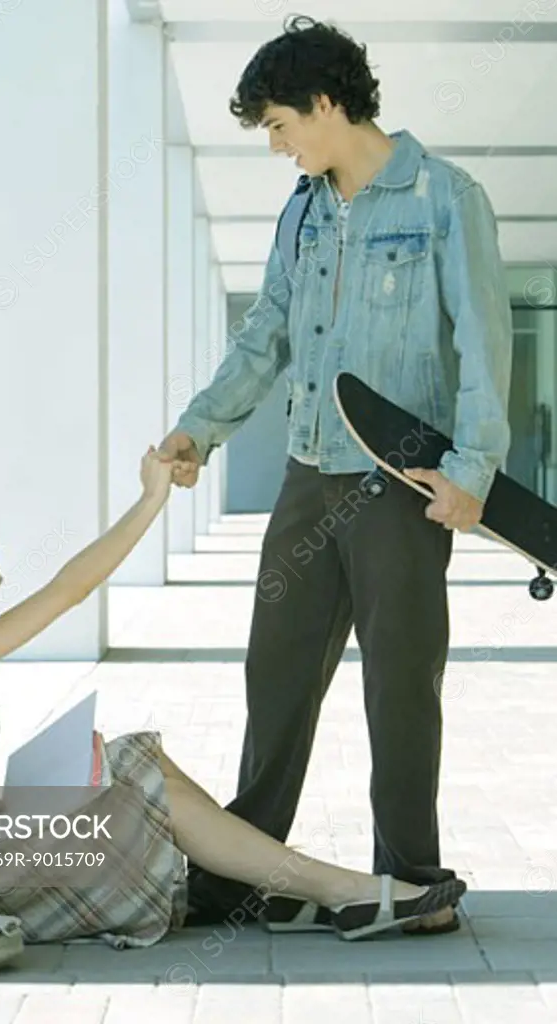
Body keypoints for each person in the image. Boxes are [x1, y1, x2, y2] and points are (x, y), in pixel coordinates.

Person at [159, 16, 513, 935]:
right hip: (309, 475)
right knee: (273, 675)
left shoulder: (445, 198)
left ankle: (413, 881)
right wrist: (201, 429)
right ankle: (242, 869)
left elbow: (484, 343)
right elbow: (266, 332)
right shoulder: (306, 209)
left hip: (402, 487)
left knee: (400, 685)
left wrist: (473, 469)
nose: (275, 146)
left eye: (279, 124)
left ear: (325, 104)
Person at [0, 448, 465, 947]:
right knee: (134, 767)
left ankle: (285, 886)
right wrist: (151, 499)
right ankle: (347, 893)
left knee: (134, 759)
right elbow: (69, 590)